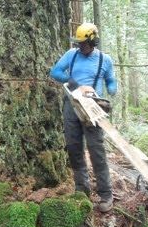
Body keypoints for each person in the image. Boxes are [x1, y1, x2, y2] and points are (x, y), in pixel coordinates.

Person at [50, 23, 117, 212]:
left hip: (94, 107)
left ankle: (105, 194)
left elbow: (111, 80)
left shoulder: (105, 59)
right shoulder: (71, 54)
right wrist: (72, 82)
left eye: (83, 44)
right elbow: (55, 72)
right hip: (72, 104)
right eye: (78, 44)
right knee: (74, 148)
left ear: (93, 41)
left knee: (96, 150)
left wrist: (111, 91)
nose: (80, 47)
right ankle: (81, 191)